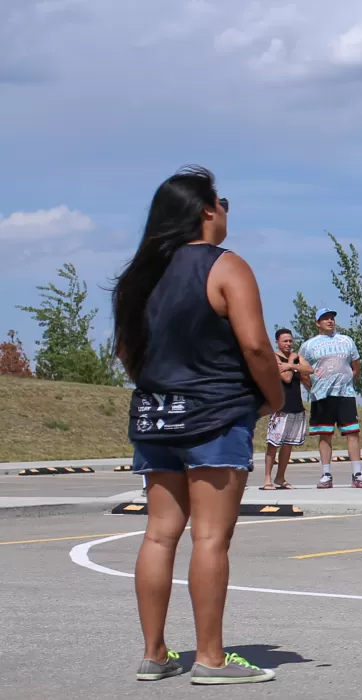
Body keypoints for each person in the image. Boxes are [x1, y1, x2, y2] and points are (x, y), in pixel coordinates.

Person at [116, 166, 279, 684]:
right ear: (207, 210)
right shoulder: (227, 267)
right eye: (222, 201)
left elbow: (127, 351)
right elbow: (256, 344)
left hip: (155, 417)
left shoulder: (139, 277)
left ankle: (154, 653)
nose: (226, 209)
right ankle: (211, 658)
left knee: (160, 536)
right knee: (210, 538)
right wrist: (273, 398)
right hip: (215, 416)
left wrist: (159, 387)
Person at [301, 307, 362, 489]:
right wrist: (312, 387)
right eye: (325, 319)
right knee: (324, 435)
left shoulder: (347, 340)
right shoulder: (309, 345)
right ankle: (325, 474)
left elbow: (355, 366)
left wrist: (347, 382)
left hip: (345, 394)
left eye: (331, 318)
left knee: (352, 433)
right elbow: (303, 370)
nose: (329, 321)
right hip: (322, 395)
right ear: (317, 323)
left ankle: (358, 473)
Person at [261, 328, 310, 491]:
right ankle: (267, 478)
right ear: (277, 342)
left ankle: (280, 477)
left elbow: (309, 370)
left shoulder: (295, 357)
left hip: (296, 406)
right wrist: (294, 364)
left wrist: (291, 363)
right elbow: (286, 378)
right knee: (273, 444)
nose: (288, 344)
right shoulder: (273, 358)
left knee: (288, 445)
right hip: (280, 407)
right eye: (285, 341)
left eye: (290, 340)